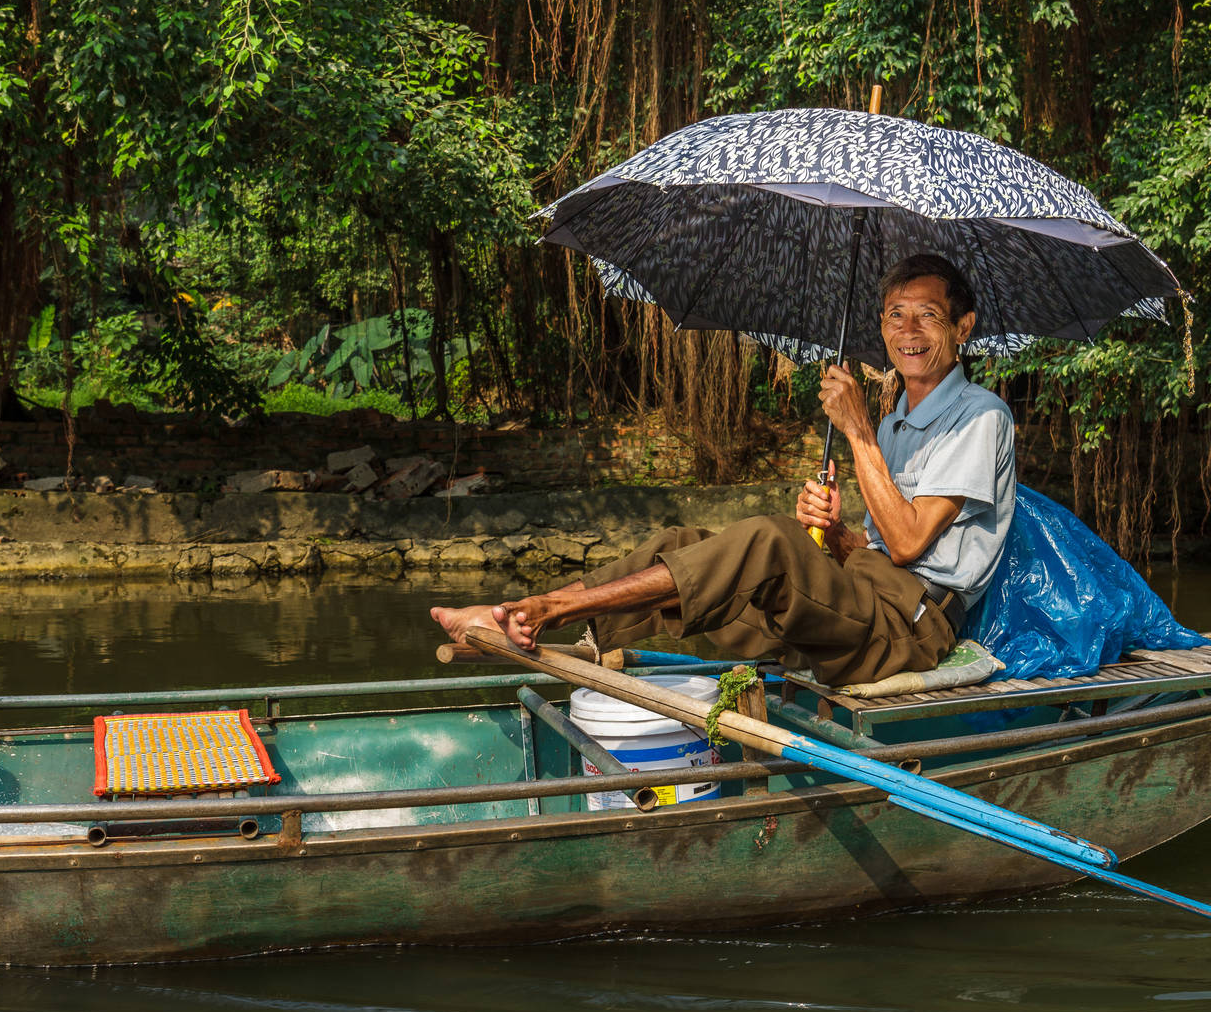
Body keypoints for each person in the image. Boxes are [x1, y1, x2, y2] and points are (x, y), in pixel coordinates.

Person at [431, 253, 1016, 687]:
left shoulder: (980, 416)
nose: (907, 332)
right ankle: (516, 622)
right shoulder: (895, 425)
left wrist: (858, 429)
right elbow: (881, 539)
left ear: (962, 329)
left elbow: (912, 542)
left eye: (928, 317)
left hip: (909, 627)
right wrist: (837, 532)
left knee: (770, 541)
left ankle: (549, 610)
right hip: (862, 593)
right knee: (682, 542)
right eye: (895, 315)